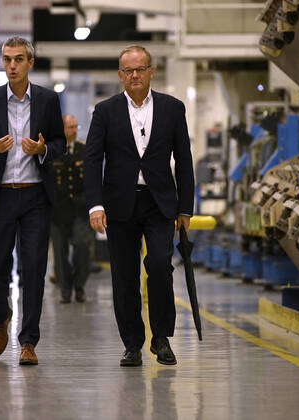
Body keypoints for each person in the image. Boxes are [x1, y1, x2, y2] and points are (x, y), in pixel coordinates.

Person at [83, 45, 194, 367]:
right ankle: (132, 343)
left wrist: (185, 208)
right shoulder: (105, 111)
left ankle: (161, 339)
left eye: (140, 69)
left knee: (160, 266)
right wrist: (95, 206)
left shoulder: (173, 109)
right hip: (119, 204)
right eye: (128, 70)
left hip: (160, 204)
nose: (134, 75)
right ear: (120, 75)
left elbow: (184, 161)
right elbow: (93, 161)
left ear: (151, 71)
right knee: (125, 276)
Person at [0, 36, 66, 365]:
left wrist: (43, 150)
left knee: (34, 269)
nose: (12, 65)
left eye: (19, 59)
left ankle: (28, 341)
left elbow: (60, 145)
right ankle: (0, 318)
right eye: (7, 59)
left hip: (36, 195)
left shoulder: (48, 101)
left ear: (30, 63)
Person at [51, 114, 93, 304]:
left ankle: (80, 285)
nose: (74, 131)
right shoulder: (52, 151)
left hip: (80, 210)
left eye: (76, 127)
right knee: (60, 253)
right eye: (70, 127)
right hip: (57, 212)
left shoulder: (85, 151)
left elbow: (93, 179)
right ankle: (65, 289)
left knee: (82, 247)